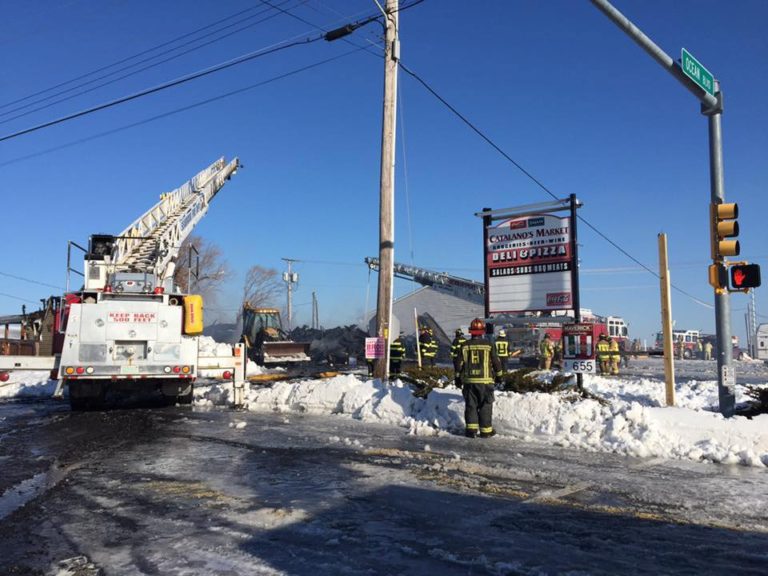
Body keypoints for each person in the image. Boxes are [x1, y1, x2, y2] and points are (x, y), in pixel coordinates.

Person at [456, 318, 502, 438]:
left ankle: (471, 431)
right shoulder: (489, 345)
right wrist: (499, 376)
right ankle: (486, 431)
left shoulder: (464, 346)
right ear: (483, 332)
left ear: (470, 331)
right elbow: (496, 362)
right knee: (485, 406)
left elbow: (458, 363)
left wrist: (457, 377)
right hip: (485, 381)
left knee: (471, 406)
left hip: (469, 381)